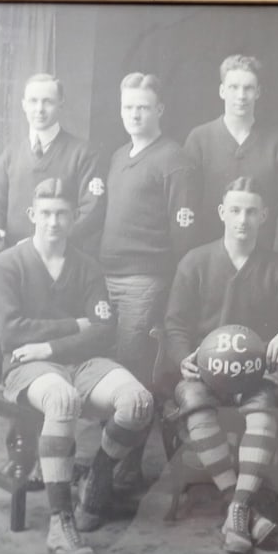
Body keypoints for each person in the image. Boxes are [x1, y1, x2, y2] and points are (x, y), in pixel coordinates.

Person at [164, 176, 278, 554]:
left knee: (262, 414)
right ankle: (237, 504)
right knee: (194, 401)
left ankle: (236, 508)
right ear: (223, 213)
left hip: (257, 373)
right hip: (205, 373)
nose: (243, 219)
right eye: (236, 210)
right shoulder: (195, 261)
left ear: (264, 216)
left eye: (251, 212)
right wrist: (183, 358)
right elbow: (174, 323)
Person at [0, 178, 154, 554]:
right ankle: (61, 522)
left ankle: (98, 474)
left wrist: (54, 343)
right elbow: (11, 332)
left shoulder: (87, 266)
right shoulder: (7, 263)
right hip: (27, 366)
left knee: (138, 402)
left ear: (74, 217)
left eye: (62, 214)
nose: (53, 222)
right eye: (45, 214)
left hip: (79, 361)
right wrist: (73, 325)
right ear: (32, 215)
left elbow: (103, 327)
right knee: (61, 399)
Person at [98, 72, 201, 484]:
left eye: (143, 107)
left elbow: (186, 237)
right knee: (107, 374)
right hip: (108, 279)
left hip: (146, 281)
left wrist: (172, 292)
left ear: (159, 109)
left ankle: (126, 467)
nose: (134, 114)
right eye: (128, 107)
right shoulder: (119, 155)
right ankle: (115, 457)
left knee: (132, 375)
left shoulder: (175, 160)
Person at [183, 54, 278, 255]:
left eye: (248, 88)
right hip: (210, 259)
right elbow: (187, 203)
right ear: (222, 91)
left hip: (264, 260)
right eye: (233, 87)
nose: (241, 95)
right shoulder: (199, 139)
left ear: (258, 92)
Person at [0, 73, 106, 253]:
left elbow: (92, 211)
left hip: (61, 261)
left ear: (61, 103)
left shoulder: (82, 153)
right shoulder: (11, 154)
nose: (39, 109)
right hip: (15, 259)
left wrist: (44, 243)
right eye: (33, 101)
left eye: (48, 101)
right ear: (23, 104)